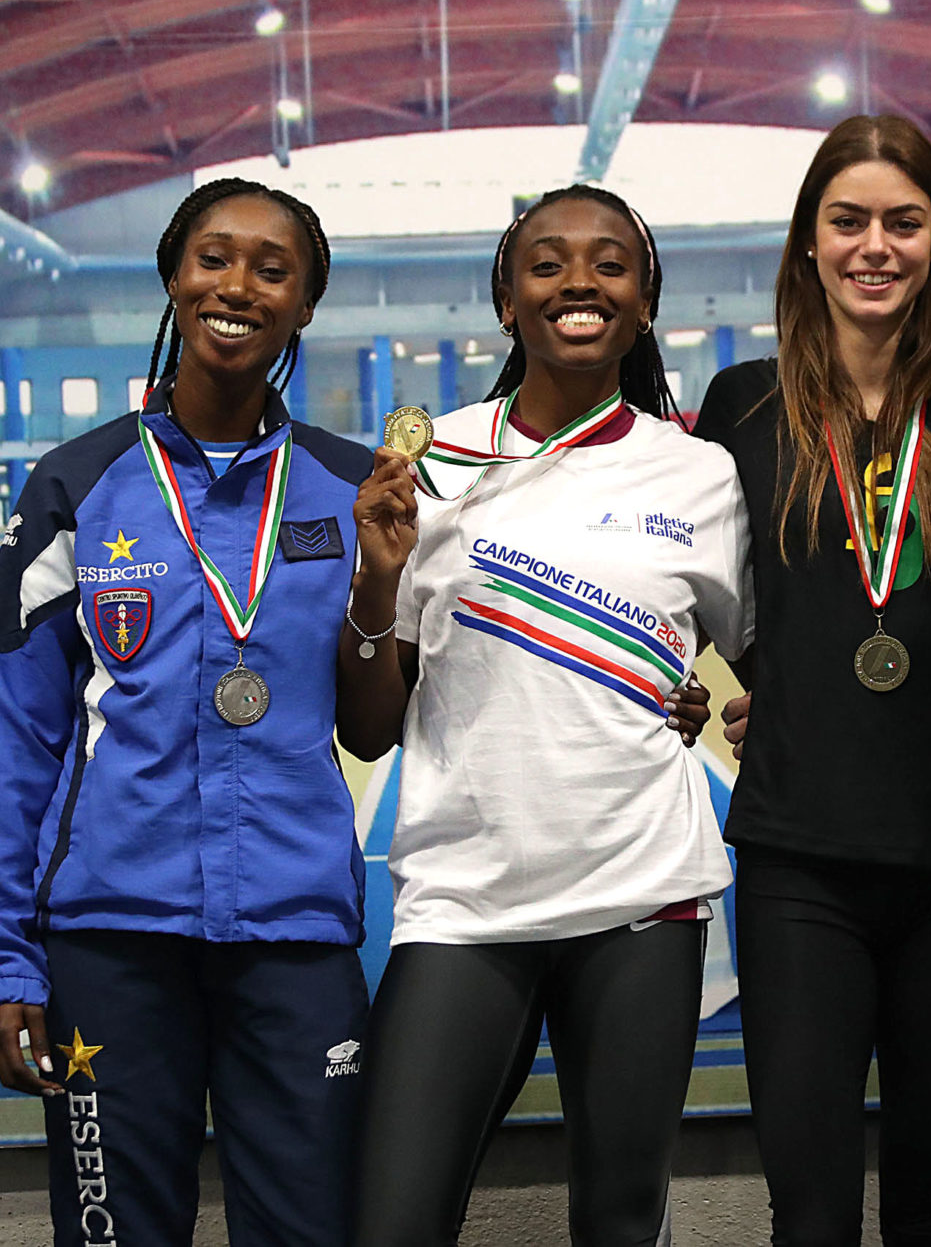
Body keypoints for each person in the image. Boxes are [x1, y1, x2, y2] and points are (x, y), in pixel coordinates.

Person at [0, 178, 376, 1246]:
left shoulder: (350, 489)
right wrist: (0, 958)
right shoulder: (77, 484)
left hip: (293, 935)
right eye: (214, 258)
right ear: (173, 277)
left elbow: (394, 703)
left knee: (310, 1231)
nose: (237, 286)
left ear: (305, 304)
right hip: (109, 941)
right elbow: (10, 729)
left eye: (272, 269)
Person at [344, 183, 751, 1247]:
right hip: (463, 899)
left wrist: (724, 701)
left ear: (646, 298)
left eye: (610, 263)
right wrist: (375, 590)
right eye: (548, 262)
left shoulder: (701, 473)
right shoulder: (424, 464)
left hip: (642, 897)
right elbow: (370, 728)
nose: (579, 282)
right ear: (505, 297)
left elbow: (765, 657)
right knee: (391, 1220)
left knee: (620, 1225)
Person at [696, 115, 931, 1247]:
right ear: (808, 245)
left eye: (901, 222)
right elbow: (689, 581)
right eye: (847, 221)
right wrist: (765, 687)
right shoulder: (737, 405)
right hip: (796, 871)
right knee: (812, 1213)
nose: (872, 246)